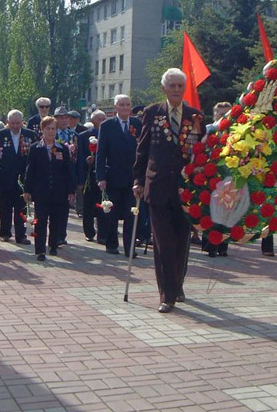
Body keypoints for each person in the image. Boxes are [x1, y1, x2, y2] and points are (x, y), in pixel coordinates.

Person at [133, 68, 204, 313]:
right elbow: (142, 149)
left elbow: (201, 156)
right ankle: (167, 294)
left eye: (179, 86)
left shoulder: (195, 116)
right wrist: (138, 180)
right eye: (171, 86)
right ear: (163, 88)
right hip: (158, 187)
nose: (175, 90)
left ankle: (177, 283)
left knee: (181, 241)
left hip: (186, 192)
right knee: (162, 242)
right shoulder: (152, 113)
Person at [23, 116, 75, 261]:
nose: (51, 131)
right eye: (48, 128)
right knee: (40, 221)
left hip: (59, 191)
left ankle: (53, 245)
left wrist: (71, 190)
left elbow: (68, 171)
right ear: (42, 129)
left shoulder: (62, 148)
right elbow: (30, 170)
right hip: (41, 191)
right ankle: (40, 250)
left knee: (56, 221)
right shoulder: (35, 148)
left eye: (53, 128)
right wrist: (27, 190)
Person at [97, 94, 142, 256]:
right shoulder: (107, 125)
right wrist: (101, 177)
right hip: (113, 177)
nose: (125, 108)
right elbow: (101, 153)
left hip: (132, 178)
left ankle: (130, 248)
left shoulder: (137, 124)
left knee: (131, 214)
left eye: (127, 105)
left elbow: (142, 151)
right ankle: (112, 244)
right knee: (112, 213)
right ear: (115, 107)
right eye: (121, 105)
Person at [0, 110, 35, 245]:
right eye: (13, 123)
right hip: (5, 176)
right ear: (8, 122)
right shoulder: (0, 135)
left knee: (21, 207)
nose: (16, 126)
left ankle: (21, 235)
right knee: (5, 207)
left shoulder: (30, 135)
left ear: (22, 122)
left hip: (23, 177)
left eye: (18, 123)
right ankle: (5, 233)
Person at [202, 102, 232, 258]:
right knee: (211, 211)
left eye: (227, 114)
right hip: (211, 175)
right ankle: (210, 245)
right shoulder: (209, 129)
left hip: (229, 175)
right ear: (215, 115)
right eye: (221, 114)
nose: (224, 117)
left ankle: (223, 245)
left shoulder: (235, 131)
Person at [77, 109, 106, 243]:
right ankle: (89, 232)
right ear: (93, 121)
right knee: (88, 206)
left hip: (103, 175)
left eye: (103, 119)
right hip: (89, 175)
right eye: (99, 119)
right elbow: (79, 156)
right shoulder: (84, 136)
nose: (101, 122)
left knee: (103, 205)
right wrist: (86, 160)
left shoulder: (108, 134)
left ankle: (103, 233)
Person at [54, 106, 78, 246]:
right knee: (55, 208)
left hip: (68, 175)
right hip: (54, 174)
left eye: (66, 118)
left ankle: (61, 235)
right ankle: (55, 234)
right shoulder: (51, 133)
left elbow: (77, 158)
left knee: (65, 208)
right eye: (61, 118)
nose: (64, 120)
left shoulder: (73, 135)